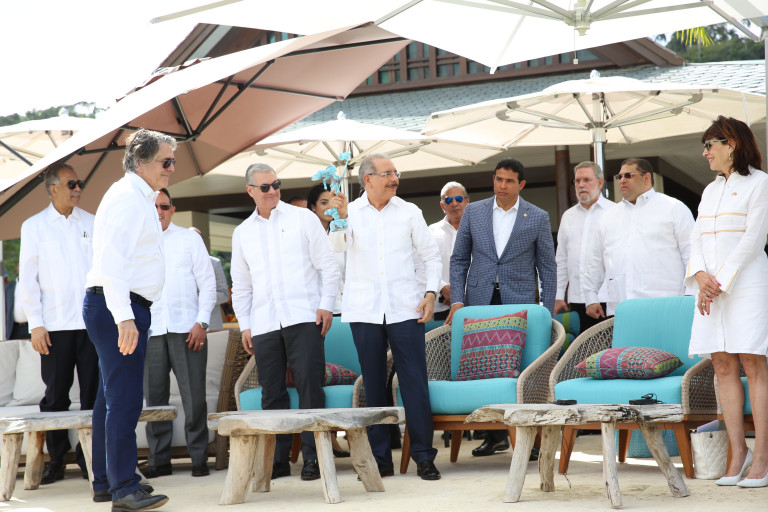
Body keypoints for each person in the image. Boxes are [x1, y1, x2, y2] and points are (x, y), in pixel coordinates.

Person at [328, 153, 442, 481]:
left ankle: (423, 456)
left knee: (414, 382)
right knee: (373, 385)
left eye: (395, 173)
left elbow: (431, 256)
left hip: (406, 308)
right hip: (364, 310)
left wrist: (430, 293)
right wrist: (341, 219)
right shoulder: (349, 211)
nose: (394, 179)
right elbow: (336, 251)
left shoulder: (410, 211)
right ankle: (380, 459)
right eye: (387, 174)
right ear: (367, 180)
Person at [83, 128, 173, 510]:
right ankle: (123, 489)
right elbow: (112, 262)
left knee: (110, 398)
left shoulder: (139, 197)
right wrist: (124, 317)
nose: (171, 168)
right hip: (117, 307)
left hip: (120, 306)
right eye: (165, 161)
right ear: (141, 162)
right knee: (125, 400)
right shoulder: (127, 198)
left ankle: (107, 481)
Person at [230, 163, 339, 481]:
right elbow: (242, 284)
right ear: (250, 190)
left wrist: (326, 305)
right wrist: (245, 324)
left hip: (304, 316)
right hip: (264, 322)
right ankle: (278, 459)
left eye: (276, 184)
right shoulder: (242, 232)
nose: (272, 191)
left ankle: (313, 458)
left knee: (310, 387)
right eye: (265, 187)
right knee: (271, 392)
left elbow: (328, 265)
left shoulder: (303, 218)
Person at [447, 157, 556, 458]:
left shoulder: (537, 216)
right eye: (498, 179)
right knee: (483, 366)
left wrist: (546, 312)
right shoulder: (473, 211)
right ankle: (494, 436)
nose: (502, 185)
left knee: (521, 369)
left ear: (521, 184)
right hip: (479, 300)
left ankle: (530, 438)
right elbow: (459, 259)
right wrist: (457, 301)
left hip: (520, 301)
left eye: (509, 181)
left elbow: (547, 267)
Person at [686, 116, 768, 488]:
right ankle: (738, 453)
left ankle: (762, 456)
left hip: (747, 285)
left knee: (752, 363)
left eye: (710, 145)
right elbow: (696, 239)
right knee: (721, 364)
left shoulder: (760, 183)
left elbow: (754, 239)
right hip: (710, 288)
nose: (705, 153)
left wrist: (719, 280)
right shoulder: (709, 190)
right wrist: (701, 277)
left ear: (731, 144)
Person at [18, 162, 99, 484]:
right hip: (53, 327)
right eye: (71, 184)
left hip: (91, 324)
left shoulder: (92, 222)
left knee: (93, 395)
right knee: (55, 398)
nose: (78, 189)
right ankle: (56, 461)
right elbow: (28, 280)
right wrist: (35, 324)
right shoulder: (33, 226)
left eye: (79, 183)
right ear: (53, 189)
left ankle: (91, 460)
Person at [141, 189, 216, 479]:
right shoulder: (137, 242)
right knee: (155, 399)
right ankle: (159, 461)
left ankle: (199, 459)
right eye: (154, 207)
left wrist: (202, 322)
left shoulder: (189, 239)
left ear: (173, 209)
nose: (159, 211)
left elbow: (207, 283)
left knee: (194, 397)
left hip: (188, 330)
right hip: (151, 331)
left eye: (164, 206)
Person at [583, 158, 694, 320]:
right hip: (621, 308)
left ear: (646, 178)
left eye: (628, 175)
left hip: (666, 307)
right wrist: (591, 297)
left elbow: (692, 254)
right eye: (619, 177)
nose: (622, 180)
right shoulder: (609, 216)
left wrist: (691, 295)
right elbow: (595, 260)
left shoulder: (674, 208)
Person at [554, 161, 615, 331]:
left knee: (608, 344)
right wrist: (558, 295)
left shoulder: (614, 212)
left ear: (600, 183)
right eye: (577, 180)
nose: (581, 185)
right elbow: (561, 259)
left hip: (607, 297)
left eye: (587, 180)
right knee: (581, 346)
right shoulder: (568, 216)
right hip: (577, 299)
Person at [429, 181, 469, 321]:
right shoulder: (431, 232)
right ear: (442, 205)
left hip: (473, 303)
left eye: (458, 199)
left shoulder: (479, 230)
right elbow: (422, 265)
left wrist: (460, 294)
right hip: (442, 305)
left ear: (467, 201)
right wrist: (443, 288)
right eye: (448, 200)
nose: (454, 203)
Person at [189, 227, 229, 331]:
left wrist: (203, 297)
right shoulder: (176, 264)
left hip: (212, 325)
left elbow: (224, 295)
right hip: (184, 325)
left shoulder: (215, 263)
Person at [4, 267, 30, 340]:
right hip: (13, 329)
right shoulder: (8, 287)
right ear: (17, 269)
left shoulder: (36, 285)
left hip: (31, 327)